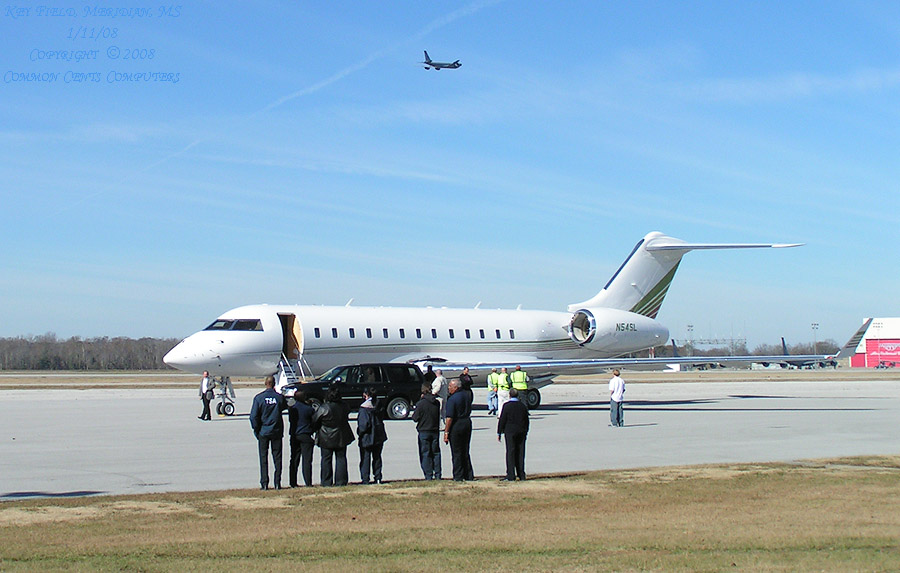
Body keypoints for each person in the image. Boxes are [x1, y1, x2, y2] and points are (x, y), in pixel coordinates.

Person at [312, 385, 354, 486]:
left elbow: (315, 420)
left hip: (326, 437)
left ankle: (326, 482)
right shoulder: (344, 406)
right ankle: (341, 481)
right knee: (341, 458)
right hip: (341, 436)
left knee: (326, 459)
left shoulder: (324, 407)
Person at [249, 375, 286, 490]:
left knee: (263, 458)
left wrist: (257, 429)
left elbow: (253, 416)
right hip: (276, 431)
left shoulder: (259, 398)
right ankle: (277, 483)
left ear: (265, 384)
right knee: (277, 458)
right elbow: (284, 407)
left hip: (264, 431)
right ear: (274, 384)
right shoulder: (279, 397)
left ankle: (264, 483)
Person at [444, 378, 474, 481]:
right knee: (465, 450)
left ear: (456, 388)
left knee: (456, 452)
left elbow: (449, 418)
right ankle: (468, 474)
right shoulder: (467, 396)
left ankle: (458, 475)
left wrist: (446, 431)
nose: (449, 388)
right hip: (467, 423)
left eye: (450, 387)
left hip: (457, 424)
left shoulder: (452, 399)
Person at [356, 387, 388, 484]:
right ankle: (378, 477)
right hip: (379, 435)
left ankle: (365, 479)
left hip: (367, 436)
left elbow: (363, 425)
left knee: (365, 458)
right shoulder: (379, 405)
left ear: (366, 396)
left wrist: (359, 432)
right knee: (377, 457)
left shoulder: (364, 409)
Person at [497, 388, 530, 481]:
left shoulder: (507, 406)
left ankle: (511, 475)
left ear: (509, 395)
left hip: (510, 432)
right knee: (520, 452)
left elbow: (502, 420)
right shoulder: (522, 406)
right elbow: (526, 420)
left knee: (510, 452)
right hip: (521, 431)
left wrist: (499, 432)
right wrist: (526, 430)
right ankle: (521, 474)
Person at [411, 383, 442, 480]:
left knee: (425, 453)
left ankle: (428, 475)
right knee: (436, 453)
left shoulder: (421, 404)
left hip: (424, 430)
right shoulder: (436, 403)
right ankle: (437, 474)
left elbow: (415, 418)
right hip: (434, 430)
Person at [288, 390, 315, 487]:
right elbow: (313, 420)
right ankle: (308, 482)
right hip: (306, 434)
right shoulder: (308, 409)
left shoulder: (292, 409)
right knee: (307, 460)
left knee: (294, 459)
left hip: (295, 435)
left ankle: (292, 482)